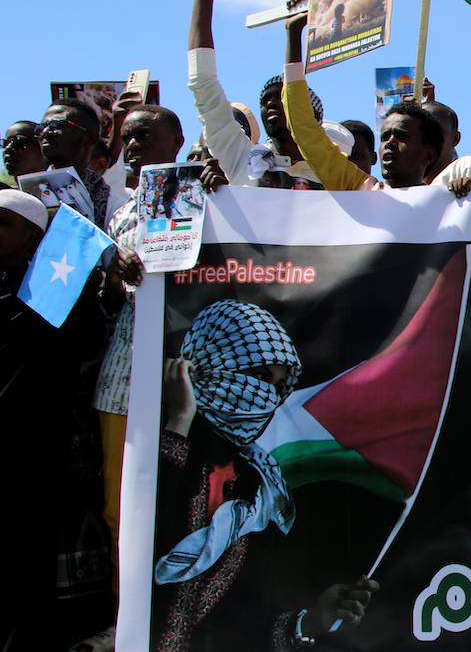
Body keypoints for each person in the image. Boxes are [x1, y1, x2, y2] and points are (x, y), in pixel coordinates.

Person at [152, 300, 378, 650]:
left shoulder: (258, 490)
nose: (266, 396)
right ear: (205, 363)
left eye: (276, 385)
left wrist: (310, 622)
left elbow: (246, 616)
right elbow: (143, 538)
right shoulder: (145, 435)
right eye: (258, 377)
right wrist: (178, 424)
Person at [1, 190, 109, 649]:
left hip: (35, 453)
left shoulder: (54, 287)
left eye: (3, 223)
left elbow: (83, 344)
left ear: (33, 236)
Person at [92, 104, 186, 600]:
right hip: (121, 383)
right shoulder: (120, 213)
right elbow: (107, 302)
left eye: (144, 135)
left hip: (177, 383)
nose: (132, 145)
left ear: (176, 140)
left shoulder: (203, 200)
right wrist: (113, 271)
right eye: (126, 137)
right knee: (117, 509)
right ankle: (125, 618)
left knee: (170, 505)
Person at [189, 0, 323, 187]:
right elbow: (204, 86)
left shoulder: (333, 172)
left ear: (314, 115)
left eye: (281, 97)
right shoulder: (242, 160)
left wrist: (295, 32)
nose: (270, 103)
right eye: (264, 100)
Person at [280, 13, 443, 190]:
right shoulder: (360, 188)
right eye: (385, 136)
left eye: (402, 136)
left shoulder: (448, 200)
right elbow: (303, 127)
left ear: (429, 155)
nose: (389, 142)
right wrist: (294, 34)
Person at [39, 98, 111, 224]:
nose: (45, 133)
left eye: (57, 125)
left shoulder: (113, 204)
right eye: (41, 127)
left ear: (89, 138)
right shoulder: (28, 196)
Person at [421, 101, 461, 183]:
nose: (426, 139)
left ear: (455, 139)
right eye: (418, 133)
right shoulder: (392, 191)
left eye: (435, 133)